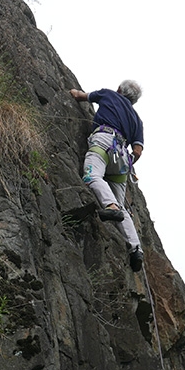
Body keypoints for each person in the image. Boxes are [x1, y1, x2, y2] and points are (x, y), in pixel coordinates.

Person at [70, 80, 144, 272]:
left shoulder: (108, 94)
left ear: (119, 89)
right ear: (133, 101)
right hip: (122, 157)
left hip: (104, 139)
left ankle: (110, 206)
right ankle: (136, 248)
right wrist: (126, 163)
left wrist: (71, 91)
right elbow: (137, 151)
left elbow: (80, 96)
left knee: (92, 176)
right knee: (122, 206)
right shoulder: (137, 120)